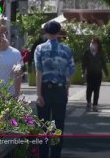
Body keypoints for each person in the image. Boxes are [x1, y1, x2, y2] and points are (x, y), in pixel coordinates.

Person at [34, 21, 75, 158]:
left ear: (46, 32)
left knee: (43, 126)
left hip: (45, 89)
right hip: (59, 90)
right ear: (59, 33)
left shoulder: (40, 49)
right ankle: (55, 154)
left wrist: (39, 94)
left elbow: (38, 71)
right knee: (58, 126)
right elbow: (70, 72)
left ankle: (43, 154)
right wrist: (66, 89)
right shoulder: (66, 50)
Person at [0, 25, 23, 98]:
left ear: (6, 35)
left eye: (1, 35)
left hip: (8, 95)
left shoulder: (15, 53)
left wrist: (17, 95)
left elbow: (18, 76)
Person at [82, 37, 108, 111]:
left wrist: (106, 73)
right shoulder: (87, 53)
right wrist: (83, 72)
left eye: (94, 43)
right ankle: (88, 102)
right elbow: (84, 64)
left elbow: (103, 64)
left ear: (98, 45)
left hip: (98, 74)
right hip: (89, 73)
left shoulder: (101, 53)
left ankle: (95, 104)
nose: (92, 44)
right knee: (89, 88)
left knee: (96, 89)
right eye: (92, 43)